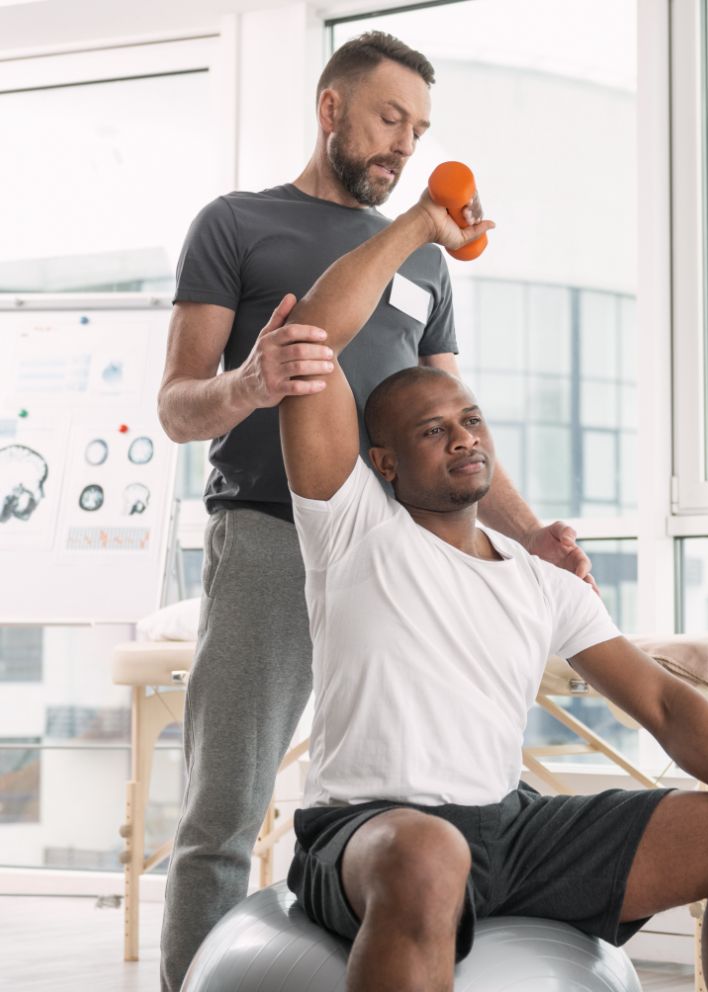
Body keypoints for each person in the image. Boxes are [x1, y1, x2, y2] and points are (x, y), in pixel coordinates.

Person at [276, 188, 708, 992]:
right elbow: (308, 341)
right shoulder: (354, 527)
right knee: (429, 850)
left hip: (511, 829)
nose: (464, 436)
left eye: (471, 420)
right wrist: (423, 227)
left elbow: (669, 707)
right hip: (372, 833)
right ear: (386, 464)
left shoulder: (543, 582)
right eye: (433, 431)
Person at [156, 31, 592, 992]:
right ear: (331, 109)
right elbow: (177, 403)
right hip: (272, 536)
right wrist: (249, 387)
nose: (406, 146)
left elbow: (450, 421)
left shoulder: (428, 266)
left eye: (421, 128)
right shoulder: (234, 224)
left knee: (413, 799)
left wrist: (533, 534)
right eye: (391, 119)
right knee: (222, 812)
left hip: (394, 560)